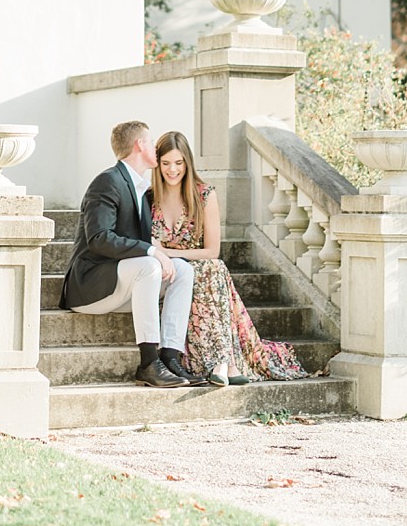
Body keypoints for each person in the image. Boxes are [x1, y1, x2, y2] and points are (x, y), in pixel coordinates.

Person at [150, 130, 306, 386]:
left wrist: (171, 252)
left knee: (212, 267)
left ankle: (222, 362)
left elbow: (212, 250)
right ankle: (227, 363)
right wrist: (164, 256)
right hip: (168, 276)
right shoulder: (149, 199)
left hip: (200, 272)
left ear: (188, 163)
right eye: (166, 163)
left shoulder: (204, 196)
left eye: (178, 163)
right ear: (158, 164)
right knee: (208, 271)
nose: (172, 170)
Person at [59, 120, 200, 388]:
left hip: (122, 285)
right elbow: (99, 238)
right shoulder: (108, 181)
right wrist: (151, 250)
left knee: (183, 269)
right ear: (140, 145)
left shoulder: (140, 188)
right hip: (90, 286)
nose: (157, 149)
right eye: (151, 142)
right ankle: (148, 363)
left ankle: (169, 358)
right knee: (150, 264)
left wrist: (155, 249)